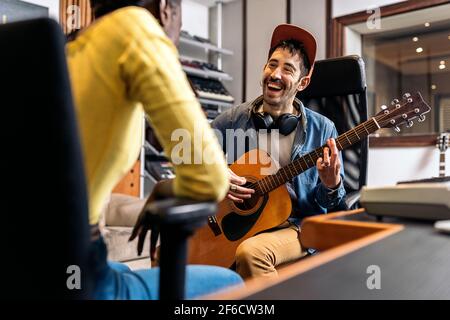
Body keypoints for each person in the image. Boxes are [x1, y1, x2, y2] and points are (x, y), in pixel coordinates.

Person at [66, 0, 243, 299]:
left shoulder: (68, 51)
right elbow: (210, 179)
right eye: (179, 24)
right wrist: (174, 188)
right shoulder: (135, 29)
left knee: (124, 270)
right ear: (165, 10)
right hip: (83, 277)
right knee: (231, 282)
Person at [212, 24, 346, 279]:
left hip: (297, 226)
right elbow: (193, 160)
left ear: (303, 82)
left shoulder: (323, 129)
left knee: (251, 253)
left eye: (287, 69)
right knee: (170, 249)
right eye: (272, 65)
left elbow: (336, 208)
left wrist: (331, 184)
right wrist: (217, 176)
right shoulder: (232, 120)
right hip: (242, 223)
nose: (275, 74)